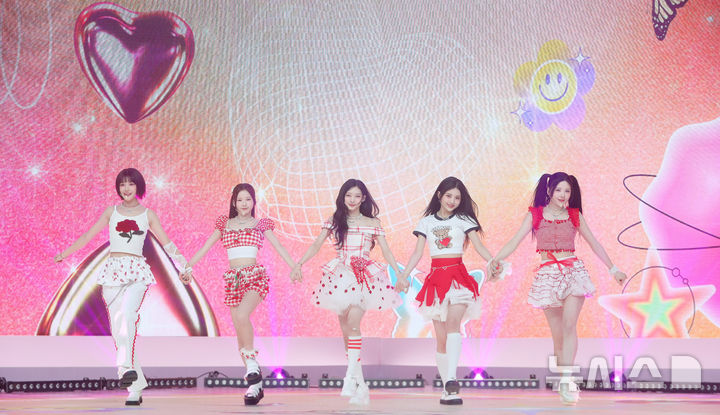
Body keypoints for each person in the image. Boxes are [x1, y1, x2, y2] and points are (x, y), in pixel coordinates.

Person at [54, 168, 191, 406]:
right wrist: (65, 253)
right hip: (113, 272)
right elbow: (88, 236)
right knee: (119, 329)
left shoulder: (148, 215)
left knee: (128, 316)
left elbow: (167, 244)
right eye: (122, 184)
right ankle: (134, 386)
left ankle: (125, 368)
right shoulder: (111, 212)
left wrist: (185, 266)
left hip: (136, 271)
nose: (126, 188)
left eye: (131, 184)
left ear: (139, 187)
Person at [489, 172, 627, 405]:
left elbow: (594, 243)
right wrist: (496, 260)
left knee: (569, 324)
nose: (563, 195)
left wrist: (613, 269)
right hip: (547, 275)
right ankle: (563, 378)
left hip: (572, 272)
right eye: (559, 190)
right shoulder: (535, 214)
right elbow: (514, 241)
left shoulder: (575, 215)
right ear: (549, 191)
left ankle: (567, 380)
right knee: (558, 334)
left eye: (567, 191)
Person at [182, 183, 299, 405]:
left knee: (243, 315)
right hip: (233, 280)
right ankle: (255, 386)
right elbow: (205, 247)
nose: (244, 204)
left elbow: (279, 247)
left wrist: (294, 266)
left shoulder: (260, 224)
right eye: (240, 200)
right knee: (239, 330)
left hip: (254, 276)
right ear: (234, 203)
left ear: (253, 202)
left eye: (248, 199)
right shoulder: (224, 224)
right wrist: (188, 268)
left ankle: (253, 366)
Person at [395, 176, 505, 405]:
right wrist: (404, 276)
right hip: (436, 280)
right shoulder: (426, 222)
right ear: (439, 196)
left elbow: (478, 245)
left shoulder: (464, 220)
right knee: (441, 337)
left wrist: (493, 261)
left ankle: (452, 379)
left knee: (454, 323)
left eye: (457, 197)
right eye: (448, 196)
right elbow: (417, 253)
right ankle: (448, 389)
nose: (452, 201)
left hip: (458, 278)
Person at [291, 179, 402, 405]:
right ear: (343, 197)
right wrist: (299, 264)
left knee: (353, 324)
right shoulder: (335, 220)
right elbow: (316, 245)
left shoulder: (372, 223)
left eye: (357, 196)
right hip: (340, 277)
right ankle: (360, 385)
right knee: (346, 332)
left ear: (363, 198)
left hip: (362, 277)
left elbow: (387, 251)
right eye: (348, 195)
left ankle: (349, 378)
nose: (352, 200)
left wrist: (399, 274)